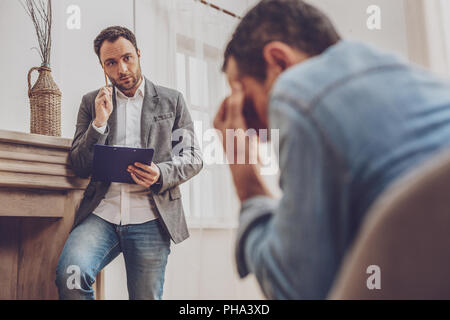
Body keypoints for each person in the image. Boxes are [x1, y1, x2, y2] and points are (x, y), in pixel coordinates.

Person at [213, 0, 450, 299]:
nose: (247, 127)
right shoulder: (403, 75)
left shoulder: (295, 90)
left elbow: (296, 292)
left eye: (242, 101)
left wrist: (246, 179)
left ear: (279, 62)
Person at [56, 26, 203, 300]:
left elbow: (192, 157)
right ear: (103, 67)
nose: (121, 69)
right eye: (111, 63)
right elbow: (79, 164)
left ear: (138, 54)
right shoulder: (91, 103)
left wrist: (160, 172)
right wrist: (98, 123)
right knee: (70, 276)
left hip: (151, 216)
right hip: (102, 214)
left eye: (127, 58)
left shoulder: (172, 101)